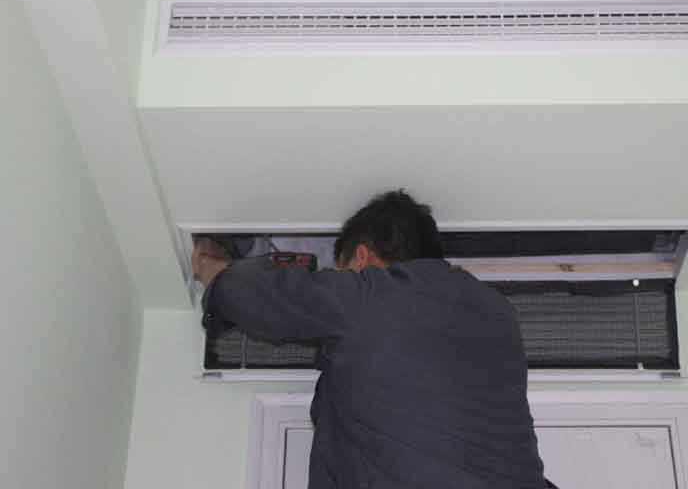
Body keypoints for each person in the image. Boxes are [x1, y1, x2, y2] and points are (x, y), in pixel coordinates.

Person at [193, 190, 550, 489]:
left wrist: (213, 270)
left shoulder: (371, 296)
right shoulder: (499, 314)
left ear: (361, 257)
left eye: (342, 270)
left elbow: (258, 297)